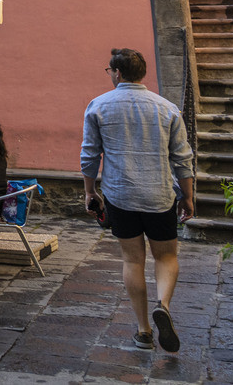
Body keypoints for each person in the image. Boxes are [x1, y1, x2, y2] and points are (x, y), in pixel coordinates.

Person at [80, 48, 195, 353]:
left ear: (116, 73)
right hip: (159, 194)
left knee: (133, 260)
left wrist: (90, 192)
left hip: (121, 195)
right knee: (166, 257)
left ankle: (144, 330)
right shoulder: (167, 108)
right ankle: (165, 305)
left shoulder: (98, 107)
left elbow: (89, 155)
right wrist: (189, 196)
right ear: (142, 73)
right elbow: (183, 158)